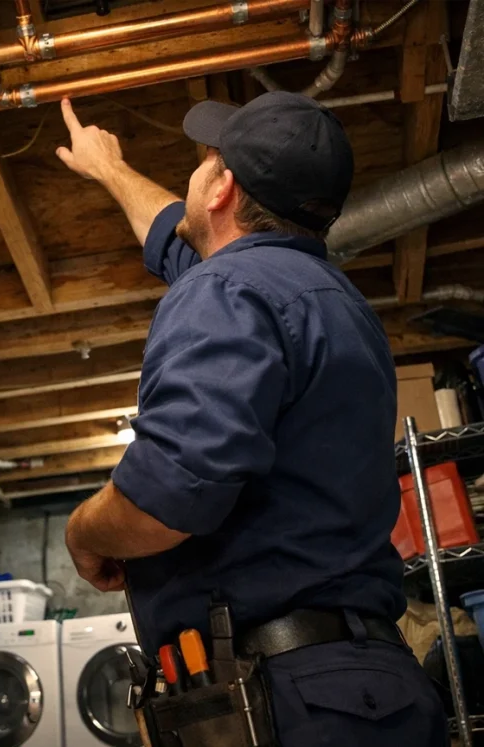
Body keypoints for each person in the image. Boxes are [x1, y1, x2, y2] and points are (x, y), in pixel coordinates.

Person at [57, 92, 447, 745]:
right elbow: (175, 236)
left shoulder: (225, 291)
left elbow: (170, 495)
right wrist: (109, 168)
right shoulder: (333, 304)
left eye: (207, 159)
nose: (197, 170)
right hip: (376, 688)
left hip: (284, 699)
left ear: (222, 188)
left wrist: (85, 529)